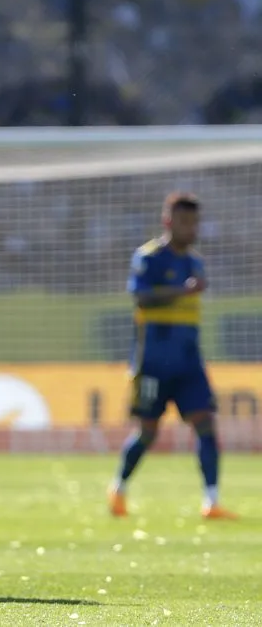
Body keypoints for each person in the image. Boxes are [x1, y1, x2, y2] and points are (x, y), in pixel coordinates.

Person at [109, 192, 237, 520]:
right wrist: (182, 290)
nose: (190, 228)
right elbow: (141, 297)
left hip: (189, 362)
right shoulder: (149, 257)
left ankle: (211, 501)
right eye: (184, 221)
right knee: (147, 432)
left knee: (206, 425)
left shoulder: (195, 261)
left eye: (194, 222)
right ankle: (118, 489)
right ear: (168, 222)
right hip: (153, 362)